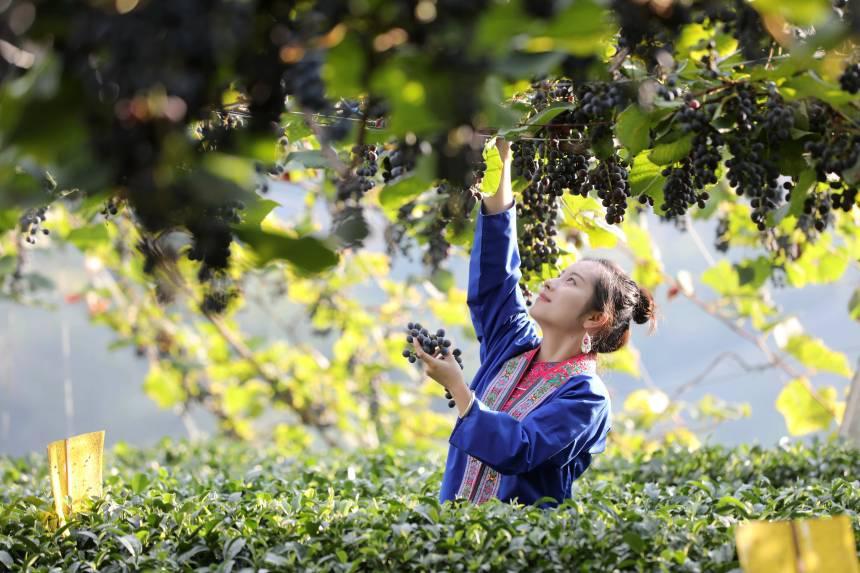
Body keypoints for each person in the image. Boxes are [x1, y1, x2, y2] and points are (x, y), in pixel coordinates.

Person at [412, 137, 658, 509]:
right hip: (449, 538)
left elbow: (520, 449)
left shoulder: (587, 398)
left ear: (595, 318)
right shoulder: (514, 343)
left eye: (570, 283)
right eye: (560, 275)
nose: (550, 283)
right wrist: (501, 158)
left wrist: (460, 390)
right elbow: (495, 281)